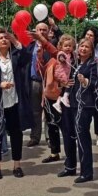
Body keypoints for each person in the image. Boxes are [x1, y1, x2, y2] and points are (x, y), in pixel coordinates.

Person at [0, 27, 35, 180]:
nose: (4, 40)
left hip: (14, 102)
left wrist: (16, 41)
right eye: (0, 38)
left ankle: (17, 165)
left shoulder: (15, 57)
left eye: (6, 38)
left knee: (16, 134)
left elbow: (28, 57)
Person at [60, 37, 98, 183]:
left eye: (87, 47)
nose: (83, 49)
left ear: (91, 51)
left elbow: (95, 83)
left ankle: (86, 172)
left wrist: (85, 81)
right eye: (81, 46)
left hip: (85, 105)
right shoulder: (77, 63)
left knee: (82, 137)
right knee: (69, 135)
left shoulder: (94, 63)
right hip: (72, 104)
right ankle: (70, 167)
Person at [41, 35, 76, 164]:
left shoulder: (75, 60)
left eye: (70, 46)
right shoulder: (54, 61)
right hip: (52, 97)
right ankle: (54, 152)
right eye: (65, 46)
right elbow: (49, 81)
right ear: (60, 47)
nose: (67, 49)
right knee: (52, 125)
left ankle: (70, 155)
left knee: (66, 127)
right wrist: (60, 85)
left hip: (68, 98)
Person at [26, 21, 59, 147]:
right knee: (35, 111)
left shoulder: (52, 46)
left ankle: (50, 138)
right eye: (39, 30)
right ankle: (35, 137)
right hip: (34, 82)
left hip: (48, 83)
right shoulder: (30, 46)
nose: (41, 32)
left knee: (49, 111)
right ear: (35, 31)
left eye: (44, 30)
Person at [83, 26, 98, 147]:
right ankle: (82, 135)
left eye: (91, 35)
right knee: (84, 114)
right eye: (87, 34)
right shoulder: (80, 48)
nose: (88, 37)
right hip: (83, 87)